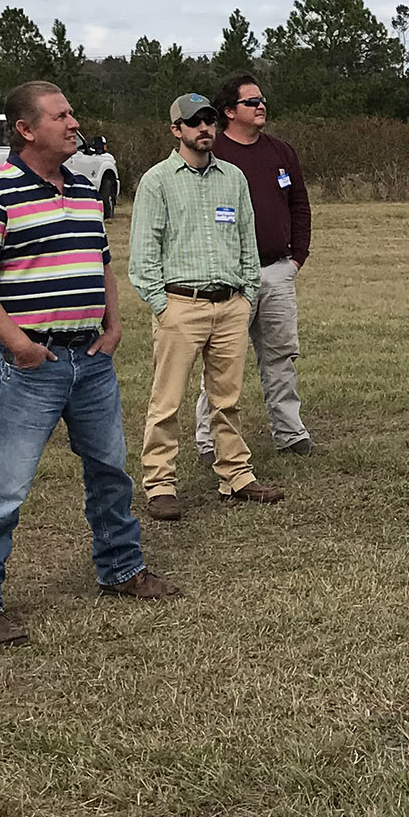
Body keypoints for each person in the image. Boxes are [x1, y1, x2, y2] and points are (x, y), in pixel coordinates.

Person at [0, 81, 179, 647]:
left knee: (110, 472)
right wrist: (20, 346)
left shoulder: (82, 188)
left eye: (72, 113)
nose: (75, 123)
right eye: (61, 116)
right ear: (26, 130)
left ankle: (121, 569)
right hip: (32, 364)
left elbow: (101, 264)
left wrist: (113, 326)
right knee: (5, 487)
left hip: (90, 359)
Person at [130, 94, 283, 520]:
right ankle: (160, 484)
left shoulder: (233, 177)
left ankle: (236, 475)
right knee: (167, 402)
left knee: (227, 399)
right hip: (180, 305)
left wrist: (247, 294)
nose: (204, 129)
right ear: (176, 129)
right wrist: (161, 305)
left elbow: (247, 240)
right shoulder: (157, 181)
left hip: (231, 305)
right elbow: (143, 254)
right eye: (194, 122)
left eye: (209, 121)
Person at [194, 72, 314, 460]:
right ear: (229, 111)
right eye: (252, 102)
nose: (261, 106)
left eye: (262, 100)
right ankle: (210, 441)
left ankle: (290, 433)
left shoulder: (281, 152)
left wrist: (296, 258)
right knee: (222, 361)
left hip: (277, 270)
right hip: (229, 276)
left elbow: (299, 206)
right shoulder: (212, 153)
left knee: (281, 356)